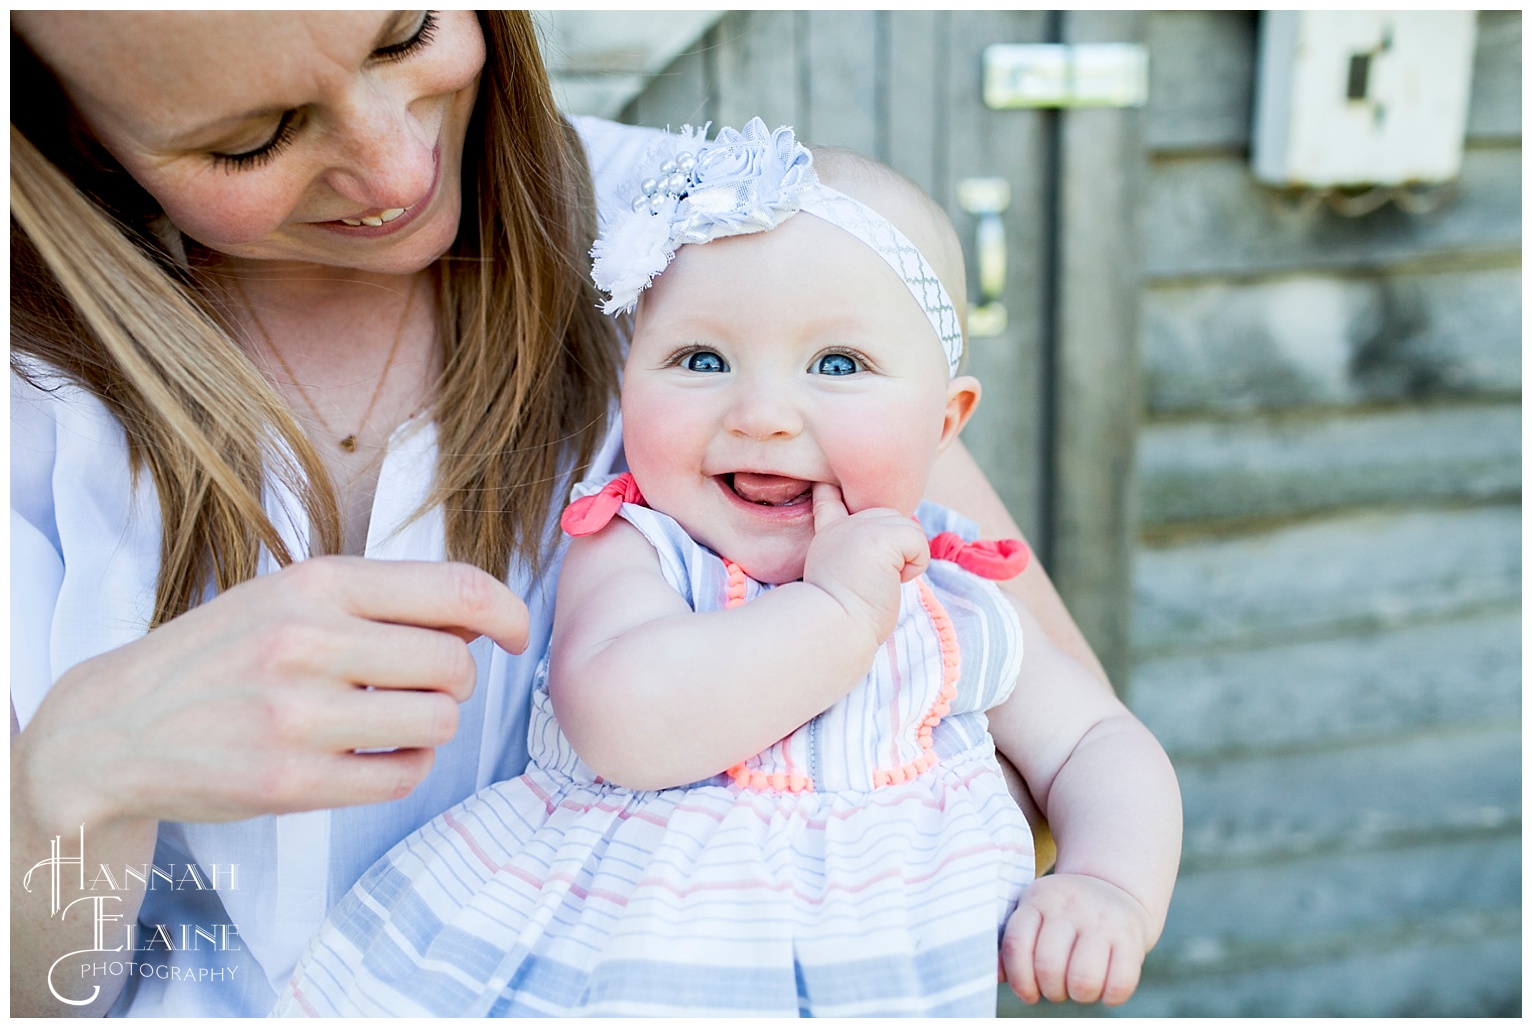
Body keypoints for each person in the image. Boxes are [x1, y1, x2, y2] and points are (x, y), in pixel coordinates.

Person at [10, 12, 1122, 1018]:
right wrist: (75, 777)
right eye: (250, 140)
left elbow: (1059, 751)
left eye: (405, 36)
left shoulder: (726, 238)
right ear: (70, 125)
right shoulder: (32, 400)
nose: (397, 167)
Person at [272, 121, 1181, 1017]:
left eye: (837, 363)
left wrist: (1112, 886)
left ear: (944, 425)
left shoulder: (947, 596)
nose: (761, 414)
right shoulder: (642, 549)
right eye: (700, 359)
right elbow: (623, 724)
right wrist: (835, 612)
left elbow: (1097, 743)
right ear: (628, 389)